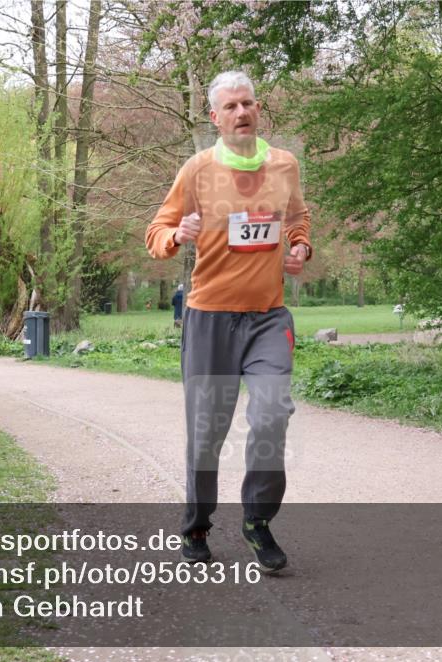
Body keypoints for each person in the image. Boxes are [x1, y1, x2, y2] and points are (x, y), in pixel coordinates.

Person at [146, 70, 311, 571]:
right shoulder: (197, 170)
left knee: (272, 413)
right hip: (210, 319)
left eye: (248, 103)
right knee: (207, 433)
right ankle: (197, 522)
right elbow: (156, 232)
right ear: (215, 118)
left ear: (258, 109)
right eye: (231, 107)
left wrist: (300, 246)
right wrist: (178, 235)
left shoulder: (284, 165)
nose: (242, 112)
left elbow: (298, 219)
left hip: (267, 318)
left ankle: (257, 521)